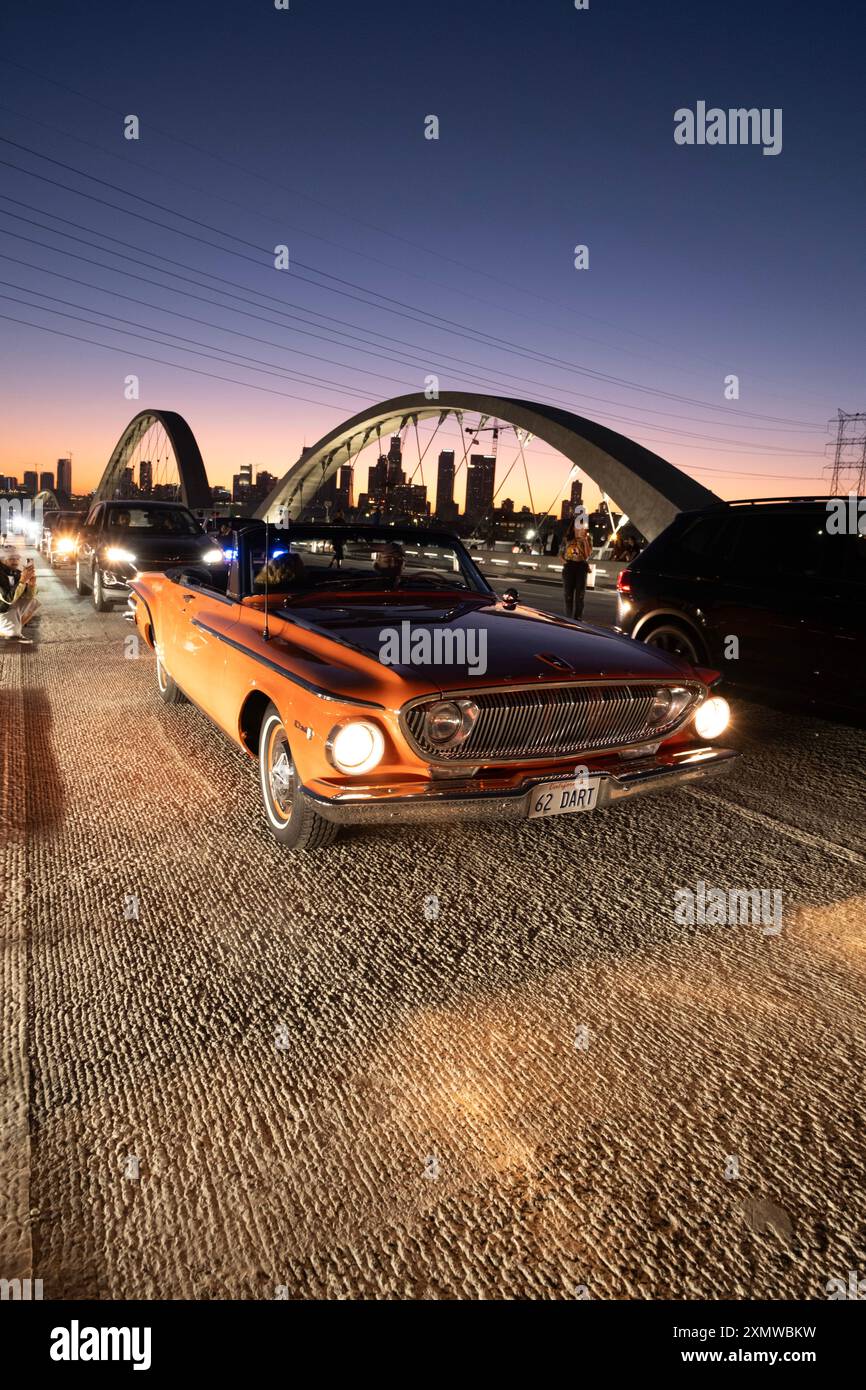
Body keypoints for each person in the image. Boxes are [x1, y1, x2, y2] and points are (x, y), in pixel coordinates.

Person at [0, 552, 39, 643]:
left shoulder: (16, 573)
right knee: (12, 633)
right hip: (2, 607)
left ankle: (14, 629)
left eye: (17, 559)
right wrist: (22, 581)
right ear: (3, 561)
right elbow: (8, 599)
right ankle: (11, 632)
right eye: (11, 559)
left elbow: (28, 596)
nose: (15, 562)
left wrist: (31, 584)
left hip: (6, 606)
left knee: (32, 602)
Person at [559, 516, 592, 620]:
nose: (580, 529)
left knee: (580, 595)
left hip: (581, 567)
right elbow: (560, 553)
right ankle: (568, 617)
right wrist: (566, 563)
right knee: (568, 594)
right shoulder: (567, 538)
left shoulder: (588, 538)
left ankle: (578, 618)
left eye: (582, 527)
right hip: (569, 567)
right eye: (578, 527)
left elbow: (587, 555)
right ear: (573, 527)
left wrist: (585, 541)